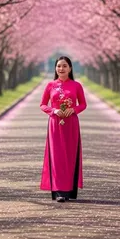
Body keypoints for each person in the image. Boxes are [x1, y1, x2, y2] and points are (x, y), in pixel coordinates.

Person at [40, 56, 87, 202]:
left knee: (70, 155)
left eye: (65, 66)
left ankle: (70, 191)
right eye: (59, 66)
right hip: (55, 124)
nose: (61, 69)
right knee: (57, 156)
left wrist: (73, 110)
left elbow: (83, 104)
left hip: (71, 124)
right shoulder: (50, 85)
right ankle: (59, 192)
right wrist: (53, 111)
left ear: (70, 68)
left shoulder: (76, 85)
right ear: (55, 68)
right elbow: (42, 104)